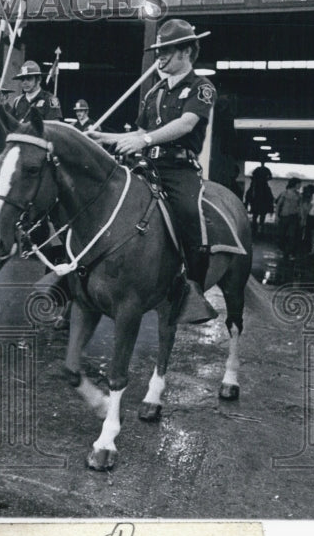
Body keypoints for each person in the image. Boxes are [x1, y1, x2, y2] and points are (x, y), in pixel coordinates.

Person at [88, 18, 217, 324]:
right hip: (146, 164)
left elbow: (185, 124)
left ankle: (193, 291)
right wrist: (104, 138)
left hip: (178, 168)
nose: (160, 56)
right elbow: (139, 132)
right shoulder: (153, 92)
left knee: (189, 213)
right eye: (158, 49)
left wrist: (144, 139)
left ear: (186, 51)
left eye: (167, 50)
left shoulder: (202, 88)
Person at [245, 160, 275, 237]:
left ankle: (259, 228)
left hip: (262, 185)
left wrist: (265, 179)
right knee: (250, 192)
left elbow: (270, 177)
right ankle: (256, 228)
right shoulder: (259, 169)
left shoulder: (265, 169)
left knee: (269, 194)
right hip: (257, 185)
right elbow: (254, 176)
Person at [274, 178, 302, 258]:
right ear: (295, 184)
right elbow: (278, 205)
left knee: (292, 235)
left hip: (294, 216)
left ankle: (288, 252)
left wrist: (301, 217)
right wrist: (276, 216)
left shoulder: (298, 195)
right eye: (299, 184)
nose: (300, 186)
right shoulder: (285, 193)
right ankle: (282, 249)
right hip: (284, 216)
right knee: (282, 234)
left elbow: (299, 206)